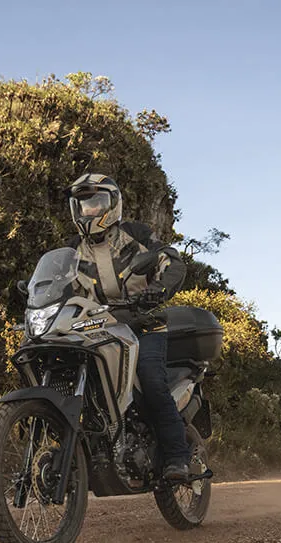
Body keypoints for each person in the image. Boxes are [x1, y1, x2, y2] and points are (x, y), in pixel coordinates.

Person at [65, 173, 191, 482]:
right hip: (95, 329)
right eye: (83, 204)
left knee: (151, 381)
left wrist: (156, 290)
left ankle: (177, 457)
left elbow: (171, 262)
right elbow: (60, 285)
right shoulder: (72, 251)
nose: (90, 210)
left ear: (112, 204)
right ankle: (74, 460)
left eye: (96, 202)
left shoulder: (136, 234)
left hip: (143, 326)